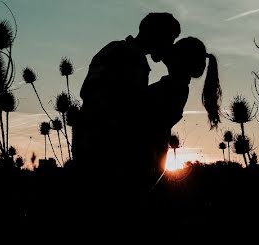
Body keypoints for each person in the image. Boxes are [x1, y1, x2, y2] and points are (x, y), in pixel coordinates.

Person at [71, 13, 181, 174]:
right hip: (105, 154)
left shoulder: (123, 53)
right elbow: (127, 106)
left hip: (96, 149)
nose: (171, 46)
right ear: (157, 35)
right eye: (170, 39)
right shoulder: (127, 56)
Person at [143, 37, 222, 173]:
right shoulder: (177, 87)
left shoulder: (172, 88)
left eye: (174, 52)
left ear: (179, 60)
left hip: (146, 161)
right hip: (151, 161)